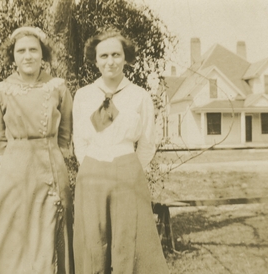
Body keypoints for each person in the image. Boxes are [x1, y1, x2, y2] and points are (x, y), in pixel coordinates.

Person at [0, 26, 74, 274]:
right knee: (13, 233)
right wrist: (15, 163)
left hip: (50, 169)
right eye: (21, 51)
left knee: (49, 231)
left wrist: (52, 156)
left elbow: (65, 135)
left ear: (43, 55)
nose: (27, 56)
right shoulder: (2, 91)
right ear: (13, 57)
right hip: (15, 174)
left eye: (33, 50)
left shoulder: (58, 88)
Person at [72, 29, 170, 273]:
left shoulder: (139, 96)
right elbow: (79, 142)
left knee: (131, 240)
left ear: (126, 58)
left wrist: (130, 167)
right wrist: (93, 165)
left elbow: (147, 141)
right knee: (93, 242)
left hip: (128, 171)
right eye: (103, 56)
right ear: (95, 61)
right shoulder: (83, 96)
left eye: (116, 54)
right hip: (92, 172)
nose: (110, 61)